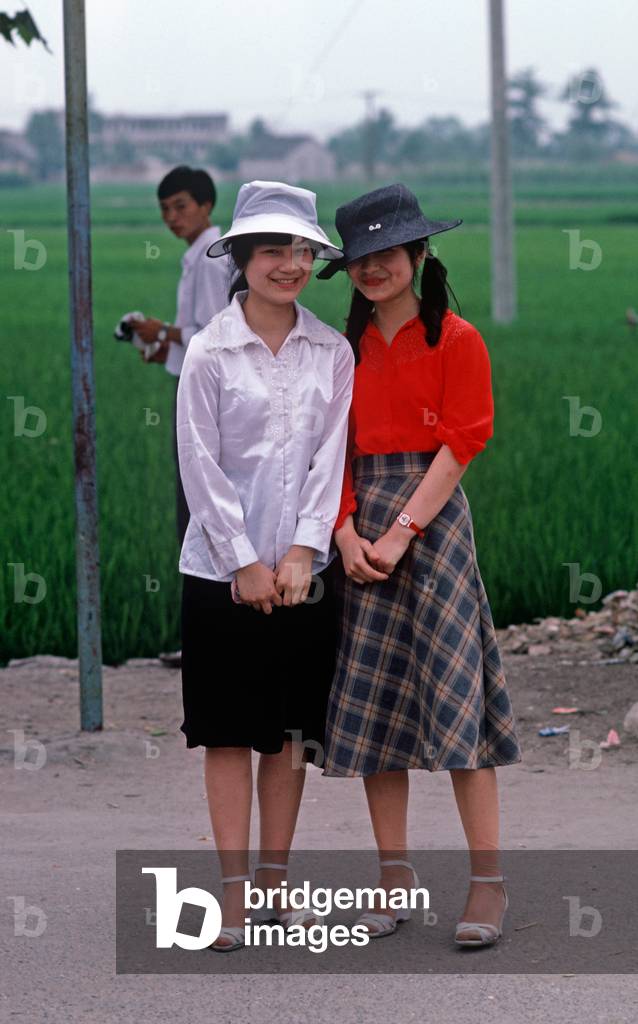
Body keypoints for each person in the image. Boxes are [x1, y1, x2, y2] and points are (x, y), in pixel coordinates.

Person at [317, 184, 522, 947]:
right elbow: (326, 452)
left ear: (418, 255)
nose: (374, 269)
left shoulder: (458, 339)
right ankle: (394, 877)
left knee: (458, 699)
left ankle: (488, 886)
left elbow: (464, 440)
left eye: (387, 254)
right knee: (377, 710)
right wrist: (343, 534)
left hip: (430, 528)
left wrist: (401, 530)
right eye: (361, 258)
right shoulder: (342, 351)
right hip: (360, 529)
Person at [176, 181, 354, 951]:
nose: (290, 264)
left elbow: (329, 458)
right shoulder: (210, 351)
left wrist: (304, 551)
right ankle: (236, 899)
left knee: (287, 735)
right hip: (222, 574)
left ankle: (278, 890)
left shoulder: (331, 351)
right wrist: (244, 560)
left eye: (302, 251)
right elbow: (200, 463)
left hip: (304, 573)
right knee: (227, 734)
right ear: (242, 258)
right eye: (273, 250)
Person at [134, 165, 231, 546]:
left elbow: (213, 336)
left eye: (180, 206)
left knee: (196, 487)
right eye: (164, 210)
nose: (171, 218)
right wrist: (169, 348)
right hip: (201, 383)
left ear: (206, 204)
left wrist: (161, 331)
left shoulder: (209, 259)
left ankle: (204, 574)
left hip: (204, 393)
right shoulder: (201, 254)